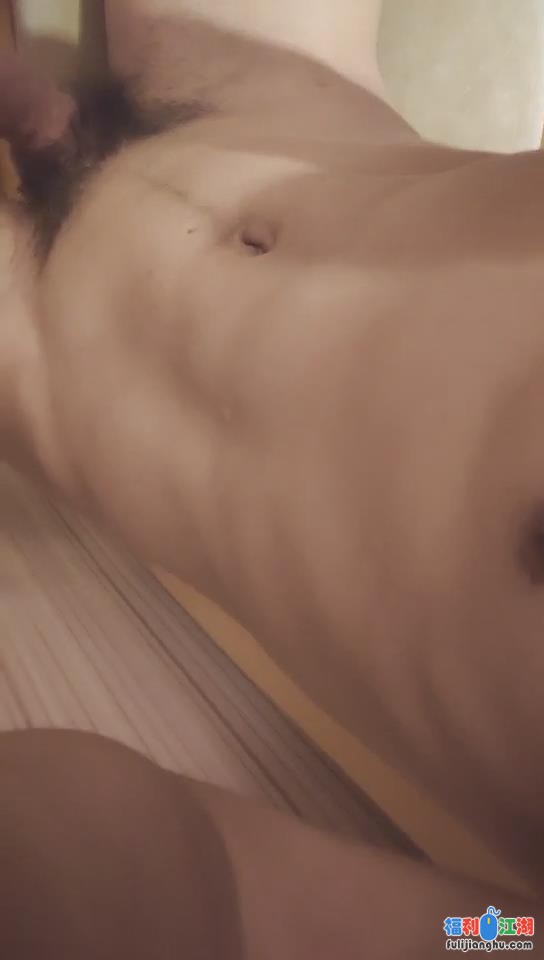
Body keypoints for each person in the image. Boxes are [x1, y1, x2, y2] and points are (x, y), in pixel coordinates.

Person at [1, 1, 543, 954]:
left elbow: (475, 933)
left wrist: (83, 875)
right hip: (279, 88)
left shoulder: (500, 936)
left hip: (47, 347)